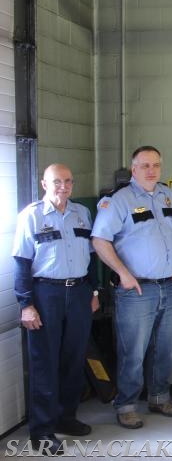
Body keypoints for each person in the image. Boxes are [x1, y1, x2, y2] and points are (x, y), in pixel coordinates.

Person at [91, 146, 172, 429]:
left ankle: (158, 396)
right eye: (144, 166)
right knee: (133, 351)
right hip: (136, 291)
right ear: (133, 169)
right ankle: (127, 404)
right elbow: (99, 240)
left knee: (165, 349)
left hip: (168, 286)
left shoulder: (169, 196)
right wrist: (122, 273)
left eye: (156, 164)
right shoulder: (118, 201)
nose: (151, 170)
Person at [12, 164, 100, 454]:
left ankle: (66, 418)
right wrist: (26, 305)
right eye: (57, 182)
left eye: (68, 182)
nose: (63, 187)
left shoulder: (81, 214)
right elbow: (22, 262)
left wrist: (94, 290)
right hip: (45, 294)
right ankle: (42, 431)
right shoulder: (31, 216)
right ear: (44, 184)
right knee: (45, 364)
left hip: (78, 293)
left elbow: (90, 255)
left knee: (74, 359)